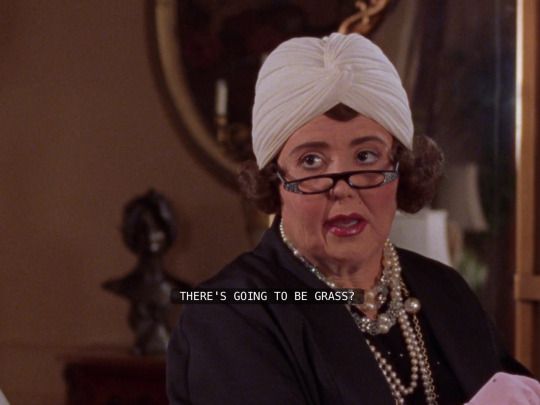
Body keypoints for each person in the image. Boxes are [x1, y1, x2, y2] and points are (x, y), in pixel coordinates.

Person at [167, 33, 538, 404]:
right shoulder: (228, 314)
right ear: (274, 180)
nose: (342, 189)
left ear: (402, 168)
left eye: (365, 156)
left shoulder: (445, 291)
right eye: (311, 161)